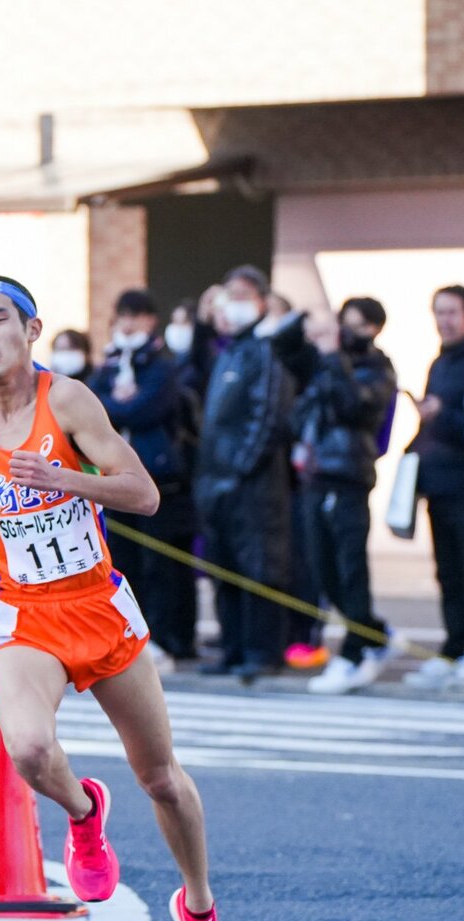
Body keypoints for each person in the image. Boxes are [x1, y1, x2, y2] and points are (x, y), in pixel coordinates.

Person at [0, 273, 233, 921]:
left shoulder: (65, 401)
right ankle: (85, 813)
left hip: (96, 604)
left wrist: (68, 479)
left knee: (161, 777)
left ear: (32, 330)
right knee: (28, 748)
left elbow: (145, 493)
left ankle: (199, 912)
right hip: (25, 614)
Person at [194, 266, 301, 681]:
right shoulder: (230, 350)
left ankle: (261, 651)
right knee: (224, 569)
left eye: (242, 295)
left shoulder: (266, 350)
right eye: (229, 294)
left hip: (253, 487)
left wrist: (238, 471)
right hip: (215, 483)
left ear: (261, 301)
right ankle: (233, 647)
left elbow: (268, 418)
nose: (232, 303)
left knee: (258, 568)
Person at [88, 289, 198, 667]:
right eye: (123, 315)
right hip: (113, 479)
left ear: (152, 320)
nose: (128, 323)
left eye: (136, 315)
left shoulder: (163, 364)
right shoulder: (107, 363)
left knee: (160, 566)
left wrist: (120, 406)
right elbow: (94, 409)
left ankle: (164, 637)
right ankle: (128, 633)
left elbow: (148, 409)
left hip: (158, 477)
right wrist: (121, 404)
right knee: (123, 563)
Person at [294, 299, 398, 694]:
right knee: (322, 567)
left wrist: (335, 356)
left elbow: (355, 406)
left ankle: (356, 650)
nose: (340, 333)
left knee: (349, 568)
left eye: (351, 326)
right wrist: (304, 321)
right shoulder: (323, 361)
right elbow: (287, 352)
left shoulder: (377, 367)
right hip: (316, 474)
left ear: (371, 328)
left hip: (349, 476)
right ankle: (373, 634)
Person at [404, 285, 464, 690]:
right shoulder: (439, 362)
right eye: (438, 312)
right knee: (447, 572)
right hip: (439, 484)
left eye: (451, 312)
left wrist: (442, 415)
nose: (444, 321)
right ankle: (455, 646)